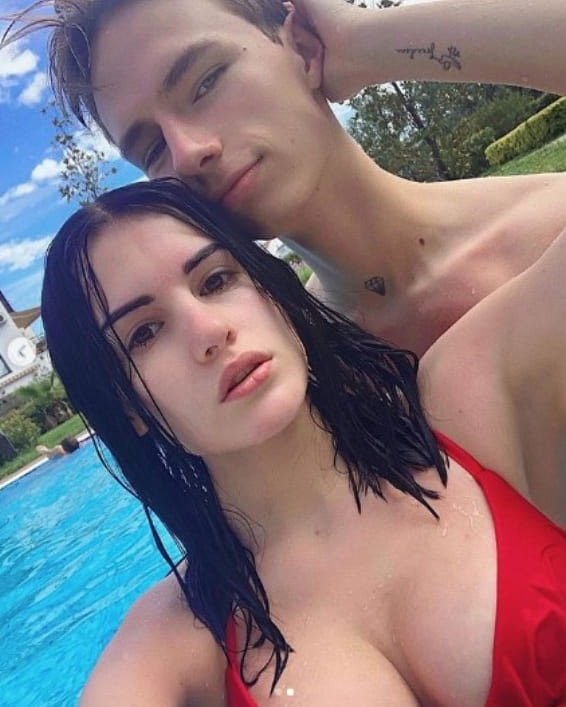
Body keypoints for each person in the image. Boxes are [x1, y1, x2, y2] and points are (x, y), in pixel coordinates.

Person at [41, 179, 565, 706]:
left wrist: (340, 122)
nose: (210, 330)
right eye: (145, 333)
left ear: (270, 288)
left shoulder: (470, 398)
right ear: (127, 408)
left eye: (217, 279)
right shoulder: (172, 641)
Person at [5, 0, 566, 355]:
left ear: (302, 46)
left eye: (206, 82)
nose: (188, 153)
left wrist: (364, 41)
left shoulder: (549, 230)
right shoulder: (296, 371)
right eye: (152, 148)